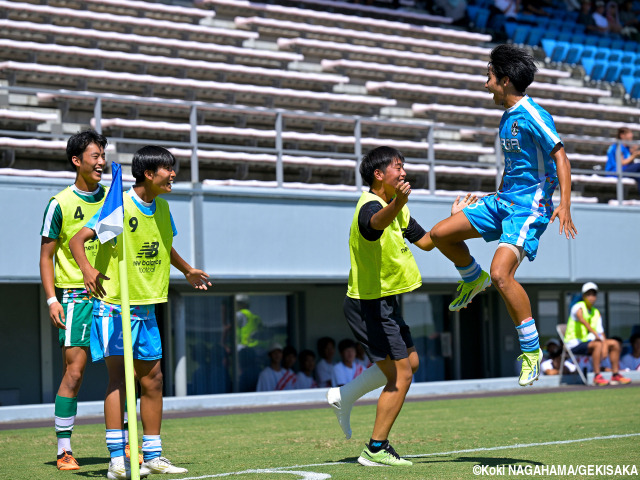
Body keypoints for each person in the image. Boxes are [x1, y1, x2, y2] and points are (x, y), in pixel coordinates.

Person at [429, 44, 578, 388]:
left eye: (489, 78)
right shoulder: (507, 116)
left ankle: (531, 351)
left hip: (529, 209)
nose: (486, 84)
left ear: (505, 80)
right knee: (440, 234)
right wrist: (493, 197)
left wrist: (564, 204)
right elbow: (516, 166)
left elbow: (562, 158)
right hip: (503, 200)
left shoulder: (533, 113)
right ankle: (471, 277)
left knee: (501, 274)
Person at [327, 146, 476, 467]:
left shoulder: (398, 208)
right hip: (368, 305)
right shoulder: (369, 206)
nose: (404, 172)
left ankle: (345, 395)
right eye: (397, 167)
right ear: (378, 175)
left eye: (403, 166)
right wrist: (400, 202)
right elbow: (375, 224)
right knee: (402, 375)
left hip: (385, 303)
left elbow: (426, 242)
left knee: (411, 362)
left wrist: (454, 220)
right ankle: (376, 449)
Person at [70, 145, 211, 479]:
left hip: (146, 306)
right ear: (149, 173)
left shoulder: (161, 208)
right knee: (119, 380)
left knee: (154, 380)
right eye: (168, 169)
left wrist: (187, 270)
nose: (173, 174)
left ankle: (153, 455)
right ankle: (118, 460)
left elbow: (164, 244)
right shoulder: (119, 205)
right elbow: (79, 240)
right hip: (114, 306)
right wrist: (88, 270)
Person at [39, 129, 108, 471]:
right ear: (77, 161)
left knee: (123, 372)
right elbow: (45, 256)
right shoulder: (59, 203)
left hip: (112, 295)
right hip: (74, 297)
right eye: (95, 156)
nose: (101, 163)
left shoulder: (113, 200)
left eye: (103, 156)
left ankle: (126, 447)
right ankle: (64, 450)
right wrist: (52, 300)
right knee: (75, 372)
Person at [564, 282, 631, 386]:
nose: (591, 297)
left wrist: (604, 343)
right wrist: (598, 338)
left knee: (614, 343)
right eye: (588, 294)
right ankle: (597, 376)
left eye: (593, 294)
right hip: (573, 344)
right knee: (598, 344)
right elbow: (582, 320)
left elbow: (601, 332)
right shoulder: (577, 307)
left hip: (589, 343)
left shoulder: (596, 312)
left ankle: (615, 374)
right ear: (583, 296)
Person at [605, 127, 640, 194]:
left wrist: (633, 152)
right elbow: (621, 163)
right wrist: (634, 155)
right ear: (622, 135)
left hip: (624, 170)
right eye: (629, 133)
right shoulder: (618, 147)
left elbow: (630, 164)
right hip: (615, 172)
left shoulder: (626, 148)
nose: (631, 135)